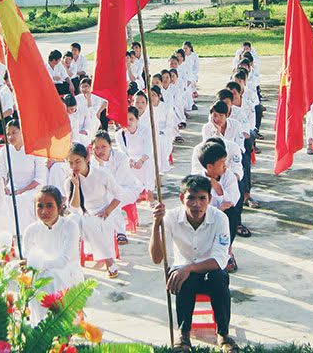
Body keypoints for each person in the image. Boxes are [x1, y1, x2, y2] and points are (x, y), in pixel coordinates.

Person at [149, 175, 238, 353]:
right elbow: (157, 258)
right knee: (183, 278)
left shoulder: (220, 219)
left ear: (209, 199)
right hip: (182, 274)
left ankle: (223, 334)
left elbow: (220, 260)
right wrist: (155, 225)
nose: (196, 204)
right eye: (191, 198)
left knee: (219, 277)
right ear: (182, 198)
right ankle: (184, 335)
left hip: (208, 272)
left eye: (202, 198)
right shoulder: (171, 218)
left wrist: (189, 268)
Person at [22, 186, 84, 323]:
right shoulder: (30, 231)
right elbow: (27, 263)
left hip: (68, 272)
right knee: (36, 282)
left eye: (50, 206)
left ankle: (60, 324)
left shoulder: (70, 226)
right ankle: (41, 326)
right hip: (41, 273)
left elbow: (63, 261)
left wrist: (37, 265)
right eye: (40, 206)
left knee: (52, 276)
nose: (44, 211)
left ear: (60, 206)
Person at [67, 143, 121, 278]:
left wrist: (107, 210)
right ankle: (70, 263)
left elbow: (119, 195)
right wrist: (76, 185)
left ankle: (109, 259)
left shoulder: (102, 174)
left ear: (87, 159)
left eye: (78, 161)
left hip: (103, 213)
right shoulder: (70, 180)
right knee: (71, 221)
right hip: (84, 214)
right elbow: (74, 208)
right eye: (71, 163)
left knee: (89, 222)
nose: (74, 166)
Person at [196, 139, 241, 272]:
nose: (225, 166)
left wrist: (218, 187)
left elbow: (233, 199)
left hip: (223, 215)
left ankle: (227, 251)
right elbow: (195, 207)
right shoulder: (197, 180)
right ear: (209, 167)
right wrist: (216, 210)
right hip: (204, 217)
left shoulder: (228, 176)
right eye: (221, 163)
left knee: (231, 213)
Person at [91, 130, 143, 245]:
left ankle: (120, 232)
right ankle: (99, 229)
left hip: (128, 189)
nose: (100, 151)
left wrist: (101, 165)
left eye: (103, 147)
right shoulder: (92, 161)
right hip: (105, 192)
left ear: (110, 145)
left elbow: (115, 184)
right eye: (97, 148)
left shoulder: (121, 158)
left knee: (112, 198)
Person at [0, 120, 47, 235]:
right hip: (13, 187)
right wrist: (3, 187)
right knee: (4, 200)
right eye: (8, 134)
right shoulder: (5, 151)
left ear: (22, 132)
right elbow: (2, 174)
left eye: (14, 133)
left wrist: (22, 190)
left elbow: (40, 178)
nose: (11, 137)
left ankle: (27, 234)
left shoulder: (35, 148)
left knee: (22, 201)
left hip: (32, 188)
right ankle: (11, 235)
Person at [116, 106, 156, 200]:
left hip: (144, 158)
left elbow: (148, 149)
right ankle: (133, 193)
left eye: (131, 119)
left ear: (137, 119)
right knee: (122, 167)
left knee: (149, 165)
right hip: (130, 159)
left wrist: (141, 161)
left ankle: (149, 194)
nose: (128, 122)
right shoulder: (120, 134)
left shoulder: (145, 131)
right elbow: (122, 151)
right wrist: (130, 160)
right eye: (126, 119)